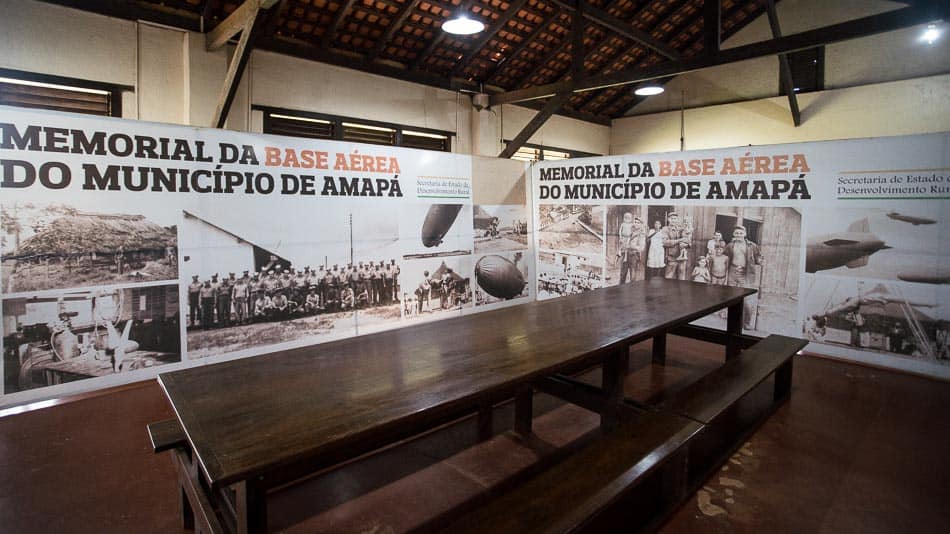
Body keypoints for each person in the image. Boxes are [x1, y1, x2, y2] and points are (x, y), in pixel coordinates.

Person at [724, 225, 763, 329]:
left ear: (745, 234)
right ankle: (734, 321)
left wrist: (759, 261)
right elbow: (724, 256)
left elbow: (758, 257)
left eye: (741, 233)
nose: (739, 235)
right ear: (734, 234)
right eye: (736, 233)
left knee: (747, 299)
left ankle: (747, 322)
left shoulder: (752, 246)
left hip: (746, 274)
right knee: (731, 297)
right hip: (732, 271)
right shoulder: (730, 245)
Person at [618, 213, 646, 284]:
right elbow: (623, 235)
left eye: (638, 223)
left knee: (632, 276)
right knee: (622, 275)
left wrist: (631, 246)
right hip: (625, 254)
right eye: (635, 222)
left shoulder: (641, 234)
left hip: (634, 256)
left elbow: (641, 248)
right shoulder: (630, 230)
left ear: (641, 224)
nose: (636, 224)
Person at [661, 213, 690, 280]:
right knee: (669, 278)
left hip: (682, 259)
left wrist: (686, 244)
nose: (674, 220)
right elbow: (665, 242)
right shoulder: (665, 229)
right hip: (672, 258)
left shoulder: (681, 229)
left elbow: (689, 241)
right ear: (668, 219)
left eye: (675, 219)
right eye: (672, 218)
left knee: (681, 278)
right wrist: (680, 240)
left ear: (677, 220)